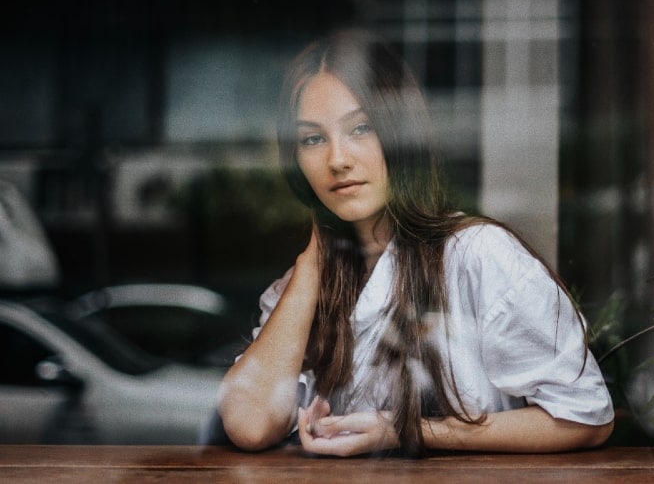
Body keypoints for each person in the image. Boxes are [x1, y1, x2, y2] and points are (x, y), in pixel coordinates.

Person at [217, 29, 614, 457]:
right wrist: (314, 257)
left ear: (398, 134)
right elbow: (250, 425)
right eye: (312, 139)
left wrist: (407, 430)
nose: (337, 159)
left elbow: (584, 417)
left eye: (361, 128)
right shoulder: (303, 289)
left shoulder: (476, 255)